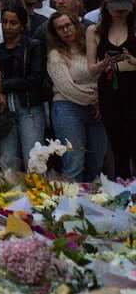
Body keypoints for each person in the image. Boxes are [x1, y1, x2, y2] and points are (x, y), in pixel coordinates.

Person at [44, 12, 109, 181]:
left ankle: (92, 204)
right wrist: (95, 100)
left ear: (76, 25)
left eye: (68, 25)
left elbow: (104, 75)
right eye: (60, 28)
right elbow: (67, 87)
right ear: (55, 33)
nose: (66, 30)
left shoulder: (91, 46)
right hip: (68, 108)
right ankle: (71, 205)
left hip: (98, 109)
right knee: (74, 162)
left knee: (97, 161)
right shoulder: (55, 55)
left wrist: (101, 102)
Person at [0, 0, 48, 173]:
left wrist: (3, 87)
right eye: (5, 22)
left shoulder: (33, 46)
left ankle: (38, 198)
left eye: (13, 23)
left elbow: (35, 78)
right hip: (5, 111)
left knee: (33, 160)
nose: (8, 27)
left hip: (29, 108)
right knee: (8, 162)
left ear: (22, 25)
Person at [96, 0, 136, 174]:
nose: (120, 13)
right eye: (116, 8)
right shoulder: (97, 31)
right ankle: (124, 194)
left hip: (133, 93)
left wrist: (129, 62)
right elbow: (93, 68)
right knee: (119, 149)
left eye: (124, 8)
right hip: (110, 95)